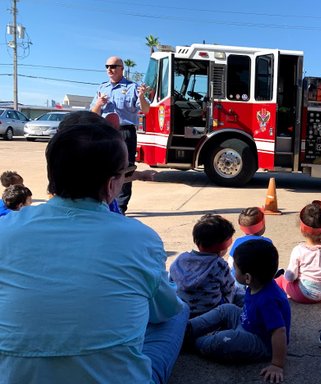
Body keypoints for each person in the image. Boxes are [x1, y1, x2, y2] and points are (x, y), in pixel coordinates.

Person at [0, 121, 188, 383]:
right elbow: (164, 311)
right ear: (112, 184)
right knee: (178, 311)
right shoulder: (140, 238)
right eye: (126, 173)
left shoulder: (5, 229)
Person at [186, 239, 291, 383]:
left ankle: (193, 343)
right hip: (248, 323)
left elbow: (279, 331)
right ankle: (188, 328)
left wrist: (277, 364)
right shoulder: (259, 284)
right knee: (226, 309)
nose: (233, 270)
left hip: (262, 342)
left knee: (227, 340)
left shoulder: (268, 300)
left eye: (235, 268)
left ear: (247, 277)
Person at [90, 56, 150, 214]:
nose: (110, 69)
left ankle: (120, 209)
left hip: (125, 132)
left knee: (125, 169)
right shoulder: (101, 88)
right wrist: (98, 104)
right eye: (107, 66)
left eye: (114, 66)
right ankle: (103, 204)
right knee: (102, 167)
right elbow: (93, 114)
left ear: (122, 69)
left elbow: (146, 110)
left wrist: (142, 97)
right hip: (105, 131)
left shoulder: (132, 87)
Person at [169, 213, 242, 318]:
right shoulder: (219, 265)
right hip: (212, 313)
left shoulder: (181, 259)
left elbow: (171, 282)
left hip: (183, 311)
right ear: (223, 246)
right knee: (239, 294)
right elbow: (229, 289)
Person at [275, 200, 321, 304]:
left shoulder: (299, 250)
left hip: (302, 294)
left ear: (301, 228)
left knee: (281, 279)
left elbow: (290, 277)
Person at [228, 207, 274, 292]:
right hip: (259, 280)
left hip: (240, 280)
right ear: (262, 225)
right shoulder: (268, 242)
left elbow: (230, 264)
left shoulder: (238, 242)